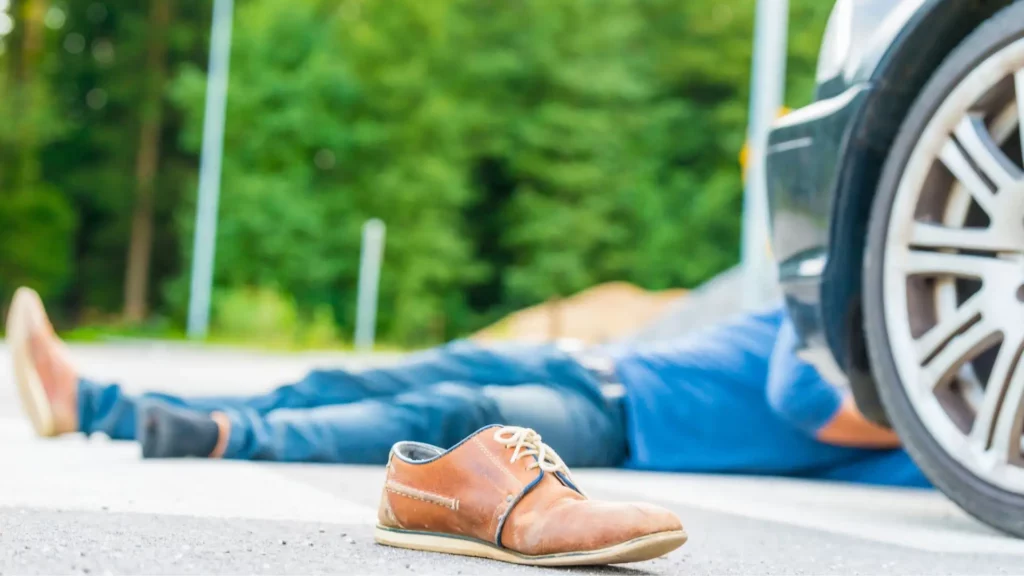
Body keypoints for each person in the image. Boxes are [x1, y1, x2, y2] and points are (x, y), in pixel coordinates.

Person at [5, 286, 928, 487]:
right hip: (580, 365)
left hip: (614, 421)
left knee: (450, 419)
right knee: (355, 374)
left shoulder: (858, 361)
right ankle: (93, 404)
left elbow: (801, 407)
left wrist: (910, 422)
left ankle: (204, 432)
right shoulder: (832, 303)